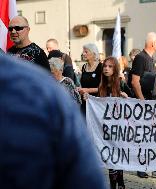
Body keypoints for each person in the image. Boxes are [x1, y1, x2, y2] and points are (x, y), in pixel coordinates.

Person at [0, 54, 107, 189]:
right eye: (48, 72)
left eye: (52, 72)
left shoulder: (63, 84)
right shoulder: (45, 87)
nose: (49, 74)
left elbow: (76, 102)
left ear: (59, 71)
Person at [131, 32, 156, 179]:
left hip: (153, 103)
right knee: (144, 137)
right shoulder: (140, 58)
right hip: (145, 104)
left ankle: (154, 167)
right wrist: (142, 101)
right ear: (153, 43)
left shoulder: (152, 59)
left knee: (154, 137)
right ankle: (142, 167)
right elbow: (135, 81)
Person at [98, 56, 132, 189]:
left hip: (120, 127)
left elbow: (132, 101)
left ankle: (121, 183)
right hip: (107, 127)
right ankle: (113, 185)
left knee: (118, 155)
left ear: (115, 68)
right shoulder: (102, 85)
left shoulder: (120, 83)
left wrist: (126, 97)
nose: (106, 69)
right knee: (110, 156)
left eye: (110, 66)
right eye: (105, 66)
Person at [77, 43, 102, 115]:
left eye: (86, 52)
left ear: (94, 53)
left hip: (97, 102)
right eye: (83, 52)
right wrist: (80, 89)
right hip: (85, 101)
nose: (83, 54)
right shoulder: (84, 67)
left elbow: (104, 87)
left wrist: (87, 90)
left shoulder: (101, 67)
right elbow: (84, 84)